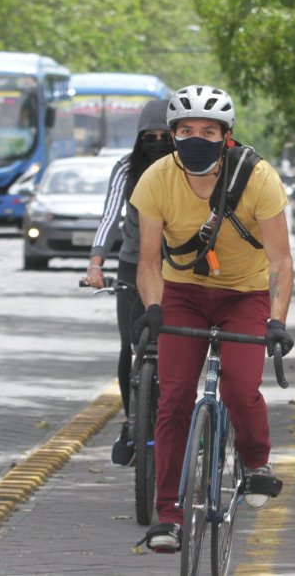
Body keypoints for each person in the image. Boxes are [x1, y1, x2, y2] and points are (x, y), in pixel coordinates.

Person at [130, 85, 294, 552]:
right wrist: (154, 309)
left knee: (241, 389)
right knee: (175, 397)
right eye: (186, 130)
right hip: (183, 292)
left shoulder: (259, 177)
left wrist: (276, 321)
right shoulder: (156, 180)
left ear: (226, 136)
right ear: (173, 134)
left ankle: (256, 462)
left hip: (245, 295)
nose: (196, 137)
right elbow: (147, 262)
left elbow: (281, 261)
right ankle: (168, 515)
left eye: (208, 130)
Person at [81, 98, 174, 466]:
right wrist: (95, 263)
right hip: (134, 265)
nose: (155, 142)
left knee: (176, 348)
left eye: (163, 135)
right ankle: (132, 420)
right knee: (130, 345)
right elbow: (109, 217)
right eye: (147, 136)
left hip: (178, 268)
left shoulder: (187, 168)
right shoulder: (125, 168)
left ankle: (175, 420)